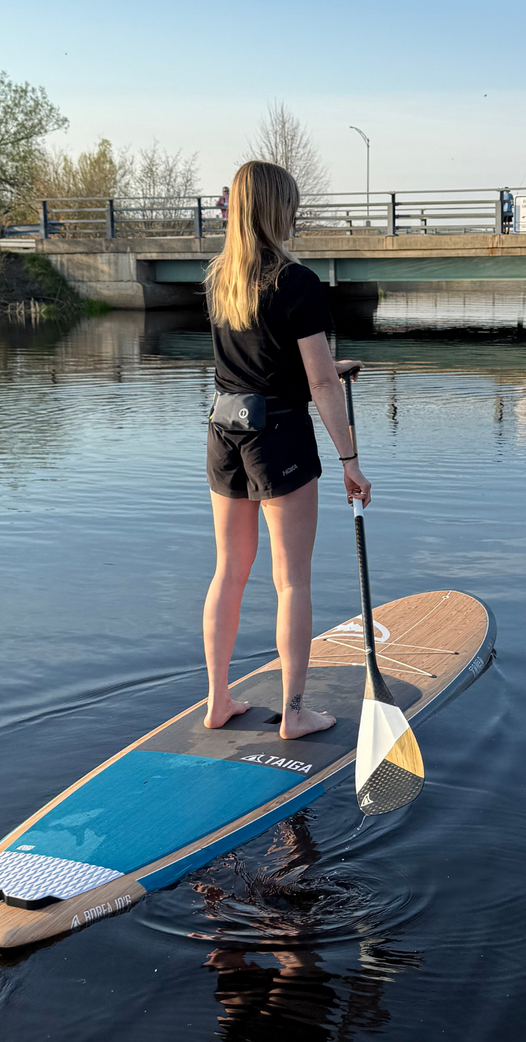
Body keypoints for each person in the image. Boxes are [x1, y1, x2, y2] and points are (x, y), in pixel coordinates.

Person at [201, 161, 370, 740]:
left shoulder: (221, 276)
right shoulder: (294, 280)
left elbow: (255, 362)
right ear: (276, 209)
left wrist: (319, 371)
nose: (298, 215)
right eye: (293, 206)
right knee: (291, 579)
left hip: (225, 431)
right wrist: (350, 461)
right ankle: (294, 713)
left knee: (229, 570)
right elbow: (321, 383)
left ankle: (218, 700)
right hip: (279, 438)